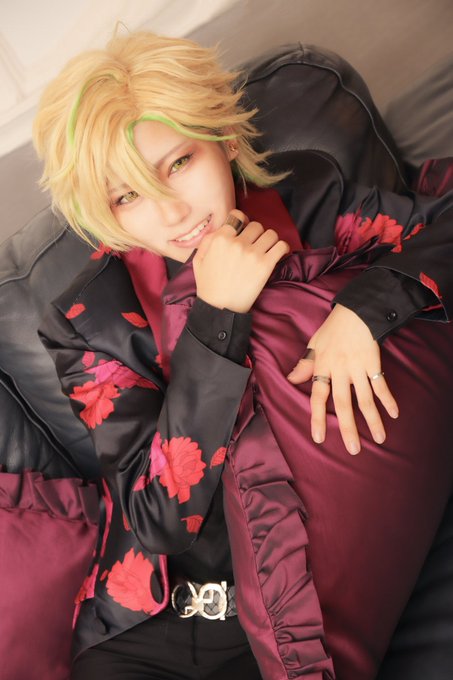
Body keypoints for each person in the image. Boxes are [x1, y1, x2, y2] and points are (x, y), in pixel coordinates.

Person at [34, 31, 453, 680]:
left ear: (225, 140)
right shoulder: (89, 318)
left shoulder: (304, 200)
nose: (172, 213)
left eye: (179, 162)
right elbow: (157, 521)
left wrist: (360, 312)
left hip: (299, 592)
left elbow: (441, 222)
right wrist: (216, 317)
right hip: (156, 626)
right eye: (127, 196)